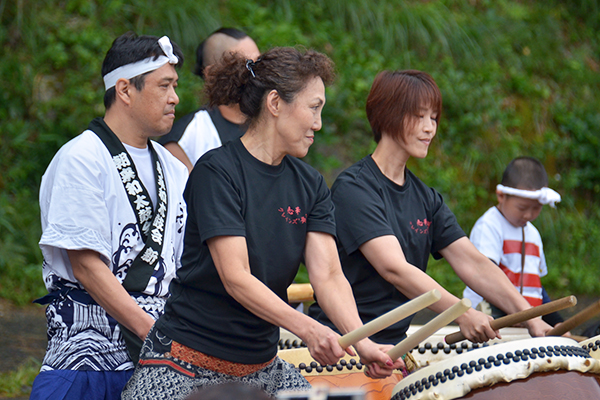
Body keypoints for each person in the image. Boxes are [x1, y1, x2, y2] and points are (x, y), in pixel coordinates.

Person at [121, 47, 403, 400]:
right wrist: (309, 329)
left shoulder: (310, 183)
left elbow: (329, 275)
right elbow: (236, 277)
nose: (318, 123)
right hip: (185, 363)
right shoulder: (217, 172)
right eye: (313, 107)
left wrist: (363, 342)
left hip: (262, 368)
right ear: (275, 103)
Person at [308, 70, 552, 346]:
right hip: (341, 345)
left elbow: (474, 263)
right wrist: (462, 313)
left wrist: (532, 317)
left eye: (433, 118)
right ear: (388, 114)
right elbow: (394, 268)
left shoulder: (426, 198)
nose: (430, 128)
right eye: (419, 116)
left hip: (393, 346)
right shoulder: (354, 188)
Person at [29, 32, 188, 400]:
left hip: (159, 360)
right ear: (125, 90)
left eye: (175, 86)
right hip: (87, 362)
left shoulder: (174, 169)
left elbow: (182, 263)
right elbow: (85, 265)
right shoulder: (81, 159)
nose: (175, 98)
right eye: (164, 85)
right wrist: (153, 334)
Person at [462, 157, 564, 326]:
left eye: (536, 208)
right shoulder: (489, 226)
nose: (528, 215)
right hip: (490, 322)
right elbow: (486, 277)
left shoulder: (533, 234)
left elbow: (535, 287)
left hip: (526, 322)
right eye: (522, 208)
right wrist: (522, 314)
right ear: (501, 196)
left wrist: (556, 322)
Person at [158, 27, 260, 172]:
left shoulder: (270, 121)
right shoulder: (188, 138)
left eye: (258, 64)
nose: (256, 74)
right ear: (212, 73)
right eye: (246, 66)